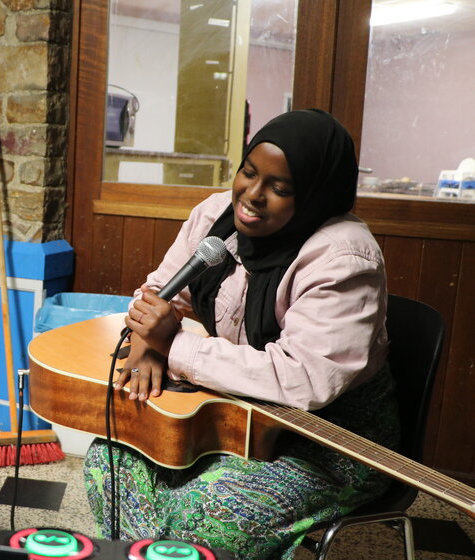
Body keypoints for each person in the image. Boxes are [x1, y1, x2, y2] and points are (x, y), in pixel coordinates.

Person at [83, 109, 399, 559]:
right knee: (109, 459)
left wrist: (171, 345)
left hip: (326, 439)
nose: (252, 195)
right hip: (230, 414)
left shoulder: (345, 258)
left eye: (280, 188)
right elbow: (163, 291)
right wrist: (146, 343)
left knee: (205, 510)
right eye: (248, 173)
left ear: (316, 195)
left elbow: (302, 379)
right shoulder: (216, 217)